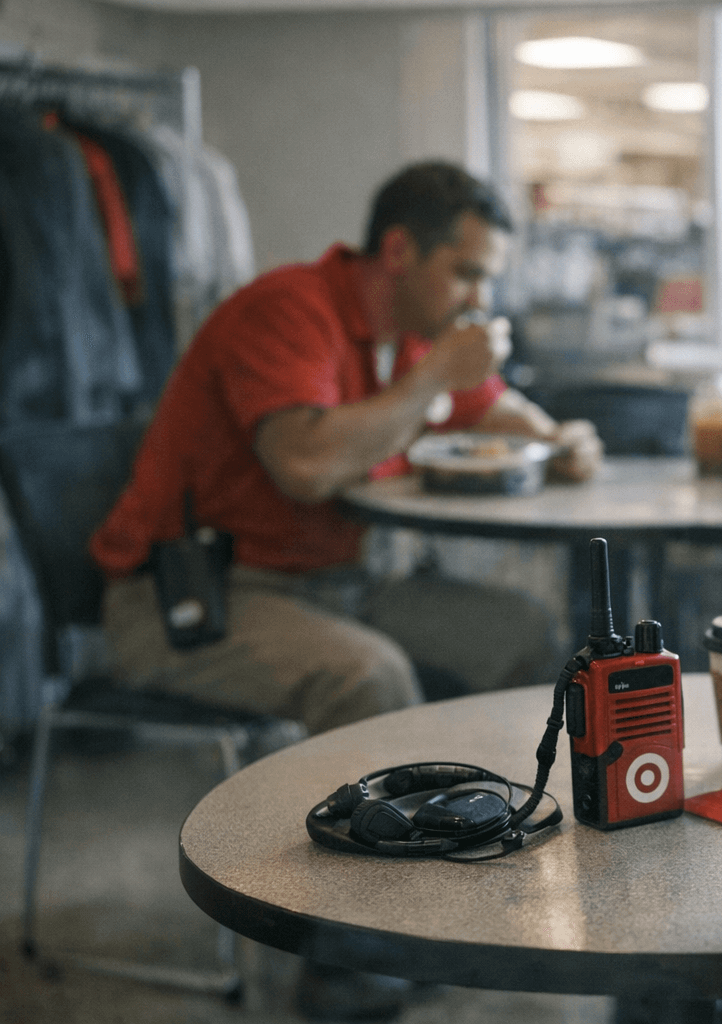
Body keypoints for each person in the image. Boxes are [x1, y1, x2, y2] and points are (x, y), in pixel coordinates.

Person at [90, 160, 603, 737]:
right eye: (465, 274)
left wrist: (557, 440)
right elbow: (305, 467)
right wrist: (434, 376)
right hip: (192, 596)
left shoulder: (418, 332)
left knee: (523, 635)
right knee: (368, 678)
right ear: (398, 252)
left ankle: (500, 812)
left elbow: (494, 410)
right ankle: (392, 827)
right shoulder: (286, 311)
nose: (478, 300)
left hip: (340, 584)